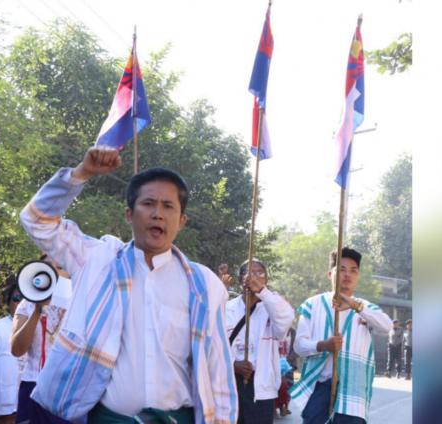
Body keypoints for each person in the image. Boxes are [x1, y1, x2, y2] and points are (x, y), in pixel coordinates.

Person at [19, 146, 238, 423]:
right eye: (148, 203)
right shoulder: (97, 260)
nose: (157, 214)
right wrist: (81, 173)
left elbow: (218, 370)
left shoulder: (205, 285)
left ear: (182, 221)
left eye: (168, 206)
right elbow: (36, 220)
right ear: (128, 214)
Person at [290, 248, 393, 424]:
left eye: (353, 270)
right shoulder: (312, 305)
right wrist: (323, 345)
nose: (347, 275)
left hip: (353, 391)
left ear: (358, 276)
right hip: (319, 385)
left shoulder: (364, 308)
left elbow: (387, 326)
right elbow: (299, 346)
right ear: (330, 274)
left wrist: (355, 305)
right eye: (342, 269)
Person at [226, 259, 294, 423]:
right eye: (249, 273)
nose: (254, 277)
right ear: (241, 279)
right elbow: (215, 345)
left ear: (266, 280)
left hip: (262, 389)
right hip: (230, 385)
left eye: (260, 273)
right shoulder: (227, 308)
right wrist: (232, 364)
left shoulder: (273, 306)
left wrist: (262, 292)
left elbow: (286, 319)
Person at [10, 256, 72, 424]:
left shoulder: (79, 302)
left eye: (59, 267)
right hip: (33, 384)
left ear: (69, 273)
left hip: (66, 386)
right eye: (47, 267)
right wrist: (38, 310)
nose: (53, 272)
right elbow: (17, 349)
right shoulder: (27, 304)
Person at [0, 277, 22, 424]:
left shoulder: (46, 330)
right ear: (7, 302)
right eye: (17, 298)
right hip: (1, 413)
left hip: (29, 407)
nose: (22, 304)